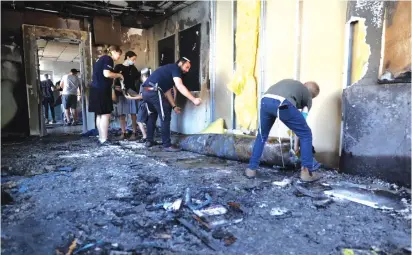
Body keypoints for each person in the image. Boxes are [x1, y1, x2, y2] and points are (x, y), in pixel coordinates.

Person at [245, 79, 322, 182]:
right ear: (312, 96)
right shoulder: (308, 98)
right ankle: (306, 172)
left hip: (265, 100)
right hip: (282, 103)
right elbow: (301, 128)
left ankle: (251, 169)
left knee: (262, 135)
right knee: (306, 134)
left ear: (304, 84)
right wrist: (296, 147)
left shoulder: (293, 84)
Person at [141, 57, 201, 151]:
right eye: (186, 67)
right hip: (154, 91)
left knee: (152, 115)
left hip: (146, 91)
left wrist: (174, 106)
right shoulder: (175, 68)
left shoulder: (168, 70)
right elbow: (179, 85)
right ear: (180, 63)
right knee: (165, 116)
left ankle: (149, 141)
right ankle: (167, 145)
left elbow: (167, 92)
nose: (187, 70)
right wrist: (194, 99)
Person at [89, 45, 123, 146]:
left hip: (95, 89)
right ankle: (104, 139)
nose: (119, 57)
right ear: (113, 52)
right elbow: (107, 74)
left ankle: (101, 137)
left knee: (99, 114)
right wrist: (119, 75)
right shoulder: (108, 59)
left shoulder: (100, 59)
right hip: (102, 90)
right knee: (106, 114)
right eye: (119, 54)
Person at [113, 51, 140, 140]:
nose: (134, 61)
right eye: (133, 59)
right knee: (122, 114)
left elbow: (137, 80)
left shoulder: (133, 69)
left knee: (133, 113)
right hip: (120, 93)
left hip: (131, 93)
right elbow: (113, 79)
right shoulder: (118, 67)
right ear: (128, 57)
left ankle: (134, 132)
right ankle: (123, 132)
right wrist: (114, 88)